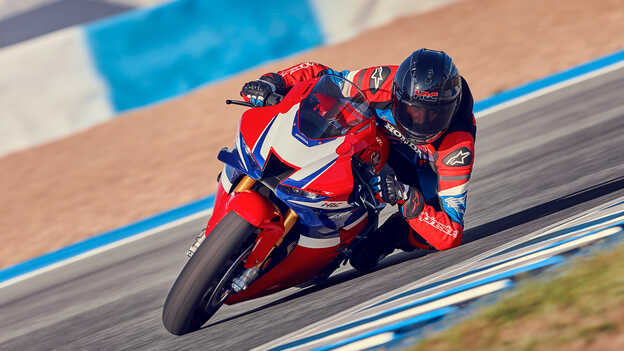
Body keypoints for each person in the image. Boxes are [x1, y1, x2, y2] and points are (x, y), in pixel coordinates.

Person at [240, 49, 476, 270]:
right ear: (398, 95)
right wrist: (274, 81)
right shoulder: (382, 81)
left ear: (451, 109)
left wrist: (404, 195)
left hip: (417, 173)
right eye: (414, 110)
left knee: (409, 242)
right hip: (370, 139)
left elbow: (451, 233)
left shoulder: (457, 146)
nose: (421, 121)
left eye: (434, 115)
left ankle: (392, 234)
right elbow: (324, 76)